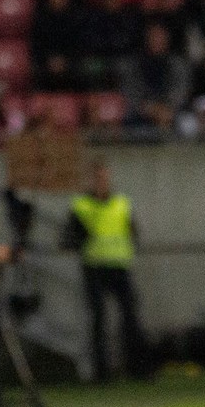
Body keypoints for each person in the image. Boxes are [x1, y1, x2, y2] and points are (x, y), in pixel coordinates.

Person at [61, 158, 150, 382]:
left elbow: (132, 231)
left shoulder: (121, 203)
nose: (102, 182)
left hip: (120, 265)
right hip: (95, 267)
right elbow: (69, 237)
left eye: (104, 177)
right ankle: (102, 373)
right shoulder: (82, 205)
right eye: (98, 178)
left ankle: (138, 368)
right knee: (98, 321)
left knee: (130, 318)